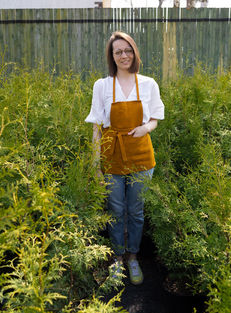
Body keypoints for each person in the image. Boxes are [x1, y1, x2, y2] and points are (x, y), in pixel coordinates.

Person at [85, 31, 164, 285]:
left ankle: (133, 257)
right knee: (116, 210)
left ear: (134, 52)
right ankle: (118, 259)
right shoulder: (102, 85)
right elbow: (97, 126)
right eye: (117, 51)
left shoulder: (149, 84)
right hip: (112, 154)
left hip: (141, 153)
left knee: (136, 211)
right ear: (111, 56)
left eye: (127, 50)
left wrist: (145, 128)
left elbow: (154, 119)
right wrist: (96, 165)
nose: (123, 55)